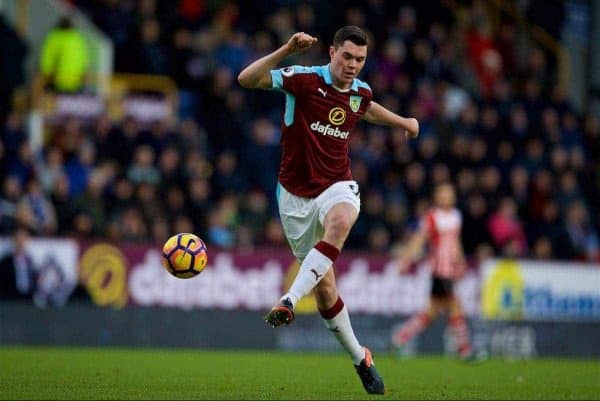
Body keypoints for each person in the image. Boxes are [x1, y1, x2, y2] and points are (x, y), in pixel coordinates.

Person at [238, 26, 419, 395]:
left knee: (341, 219)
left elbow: (366, 108)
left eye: (361, 60)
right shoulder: (303, 80)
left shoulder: (360, 91)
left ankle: (289, 299)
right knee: (326, 291)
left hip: (337, 185)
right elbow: (247, 79)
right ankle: (360, 357)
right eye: (348, 57)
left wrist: (402, 122)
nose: (353, 65)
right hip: (293, 197)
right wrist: (287, 49)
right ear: (332, 52)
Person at [390, 183, 473, 360]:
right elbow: (419, 239)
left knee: (432, 312)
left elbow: (456, 243)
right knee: (454, 306)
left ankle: (399, 339)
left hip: (450, 271)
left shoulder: (456, 216)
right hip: (439, 271)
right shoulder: (432, 217)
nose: (445, 197)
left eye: (448, 193)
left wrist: (461, 261)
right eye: (442, 194)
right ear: (436, 197)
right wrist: (405, 260)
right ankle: (465, 351)